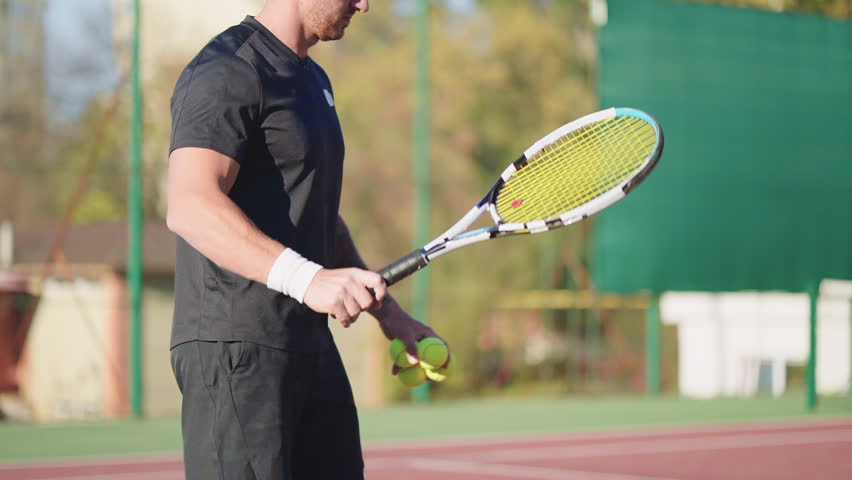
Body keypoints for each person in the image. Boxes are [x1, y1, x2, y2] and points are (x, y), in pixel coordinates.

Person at [165, 1, 440, 478]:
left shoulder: (314, 82)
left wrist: (390, 314)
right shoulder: (228, 69)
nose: (363, 4)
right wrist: (309, 279)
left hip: (307, 343)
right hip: (236, 348)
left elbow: (318, 217)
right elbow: (190, 204)